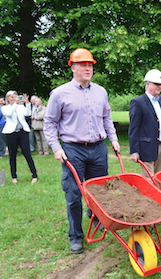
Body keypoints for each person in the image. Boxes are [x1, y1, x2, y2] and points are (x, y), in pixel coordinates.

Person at [44, 48, 120, 255]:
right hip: (72, 150)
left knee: (100, 190)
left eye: (90, 65)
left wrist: (113, 138)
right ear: (73, 67)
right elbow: (49, 123)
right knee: (73, 194)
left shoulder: (101, 92)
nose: (88, 68)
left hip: (97, 149)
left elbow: (106, 118)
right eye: (83, 65)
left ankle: (97, 218)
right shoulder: (60, 94)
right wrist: (56, 148)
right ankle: (76, 236)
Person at [128, 69, 161, 177]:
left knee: (157, 178)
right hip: (146, 148)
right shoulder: (138, 102)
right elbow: (134, 129)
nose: (159, 87)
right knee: (149, 180)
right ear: (147, 83)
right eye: (156, 84)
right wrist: (134, 151)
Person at [1, 91, 38, 184]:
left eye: (16, 96)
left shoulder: (20, 107)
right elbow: (9, 114)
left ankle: (34, 175)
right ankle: (14, 176)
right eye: (13, 97)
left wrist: (27, 103)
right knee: (12, 155)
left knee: (27, 153)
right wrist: (15, 104)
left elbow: (28, 113)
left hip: (22, 132)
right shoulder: (5, 108)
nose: (15, 98)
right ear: (8, 98)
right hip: (11, 133)